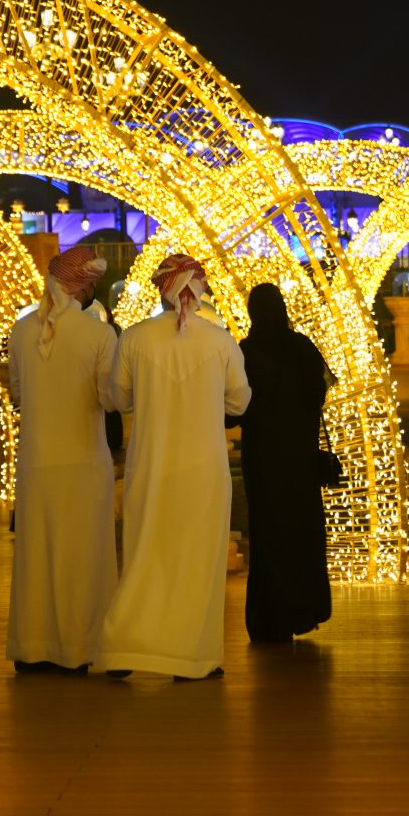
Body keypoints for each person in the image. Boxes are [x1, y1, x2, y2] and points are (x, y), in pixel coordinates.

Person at [97, 255, 251, 681]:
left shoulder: (134, 338)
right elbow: (240, 402)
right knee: (198, 560)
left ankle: (125, 648)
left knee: (147, 553)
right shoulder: (221, 342)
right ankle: (194, 657)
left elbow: (118, 398)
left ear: (161, 288)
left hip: (150, 466)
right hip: (204, 470)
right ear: (198, 290)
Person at [6, 246, 119, 673]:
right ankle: (78, 648)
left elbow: (17, 392)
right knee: (81, 557)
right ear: (81, 286)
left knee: (37, 553)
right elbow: (109, 399)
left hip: (36, 464)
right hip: (84, 463)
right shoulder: (99, 335)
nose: (92, 291)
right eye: (90, 284)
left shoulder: (20, 333)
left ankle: (33, 647)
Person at [236, 282, 333, 644]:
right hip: (300, 458)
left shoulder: (245, 352)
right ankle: (304, 609)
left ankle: (270, 617)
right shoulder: (302, 348)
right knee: (301, 531)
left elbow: (235, 409)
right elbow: (320, 394)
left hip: (263, 461)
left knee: (268, 534)